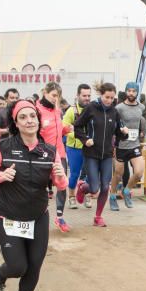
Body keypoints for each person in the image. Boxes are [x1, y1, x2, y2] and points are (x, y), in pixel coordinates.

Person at [0, 100, 66, 291]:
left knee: (34, 265)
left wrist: (59, 175)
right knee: (18, 266)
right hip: (6, 215)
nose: (29, 121)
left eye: (32, 116)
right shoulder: (4, 148)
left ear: (38, 120)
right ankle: (0, 274)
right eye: (23, 117)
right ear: (16, 123)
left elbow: (62, 185)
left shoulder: (49, 151)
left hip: (37, 216)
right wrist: (0, 176)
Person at [74, 82, 126, 227]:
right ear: (101, 95)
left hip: (107, 155)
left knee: (105, 188)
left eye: (112, 98)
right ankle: (83, 187)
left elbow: (118, 133)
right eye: (107, 97)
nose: (109, 100)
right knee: (94, 188)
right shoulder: (91, 108)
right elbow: (77, 126)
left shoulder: (114, 112)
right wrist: (85, 140)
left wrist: (123, 133)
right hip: (91, 154)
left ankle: (98, 217)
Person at [59, 83, 93, 230]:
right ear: (78, 96)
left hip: (90, 147)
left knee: (91, 174)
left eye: (88, 96)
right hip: (74, 148)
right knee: (74, 175)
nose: (86, 98)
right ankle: (72, 197)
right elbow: (63, 128)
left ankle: (87, 195)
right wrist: (79, 136)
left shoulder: (93, 110)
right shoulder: (71, 111)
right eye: (84, 95)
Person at [34, 82, 69, 223]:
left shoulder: (57, 111)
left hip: (59, 153)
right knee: (39, 185)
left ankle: (60, 217)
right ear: (45, 93)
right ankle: (38, 214)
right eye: (53, 95)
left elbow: (58, 131)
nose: (56, 98)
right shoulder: (36, 110)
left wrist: (66, 129)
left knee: (62, 183)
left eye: (58, 96)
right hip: (42, 153)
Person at [112, 81, 144, 210]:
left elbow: (140, 122)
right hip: (121, 145)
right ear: (126, 92)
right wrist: (113, 144)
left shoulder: (141, 107)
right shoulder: (119, 108)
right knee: (118, 174)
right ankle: (112, 196)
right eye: (129, 91)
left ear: (137, 92)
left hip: (134, 145)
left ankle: (126, 191)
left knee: (139, 172)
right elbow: (114, 126)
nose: (131, 93)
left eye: (134, 91)